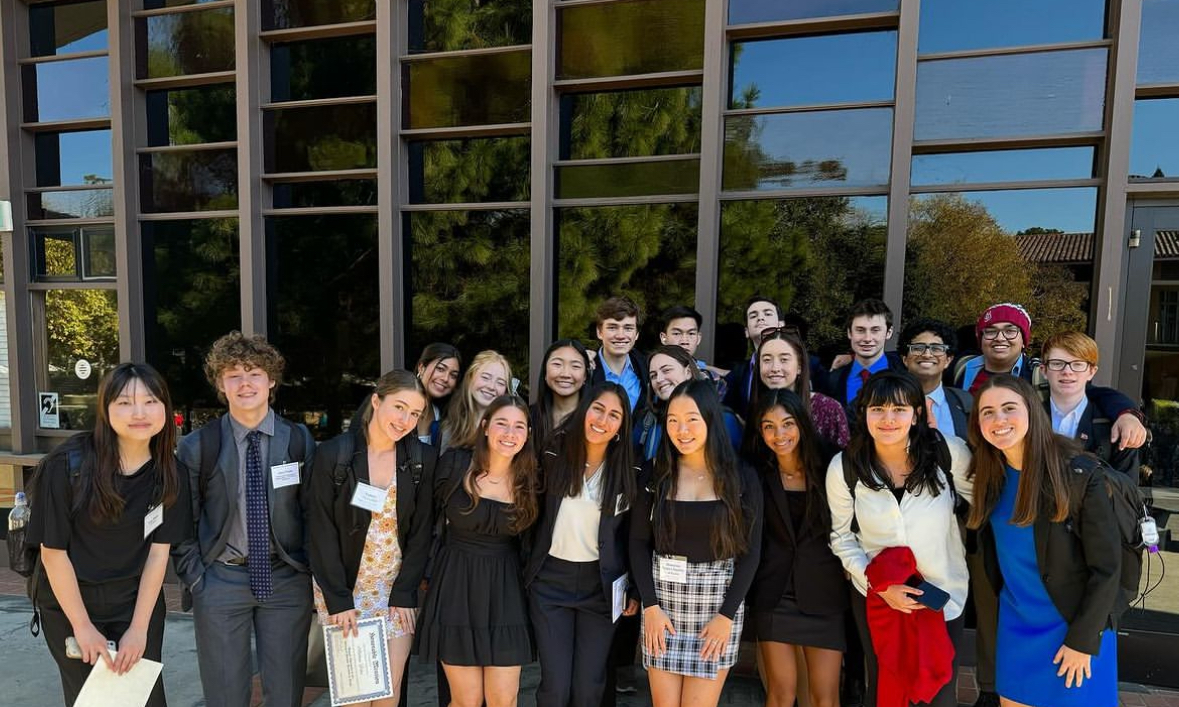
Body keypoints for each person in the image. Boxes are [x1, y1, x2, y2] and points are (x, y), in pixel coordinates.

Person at [27, 363, 189, 707]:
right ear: (106, 408)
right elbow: (53, 554)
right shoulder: (67, 465)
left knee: (142, 696)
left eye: (150, 401)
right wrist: (82, 627)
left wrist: (139, 629)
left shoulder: (171, 473)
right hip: (71, 603)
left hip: (134, 602)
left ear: (165, 408)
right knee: (94, 699)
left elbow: (158, 554)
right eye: (125, 403)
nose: (139, 413)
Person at [171, 332, 317, 707]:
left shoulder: (299, 441)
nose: (245, 382)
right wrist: (196, 577)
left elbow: (313, 514)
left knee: (285, 693)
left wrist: (310, 573)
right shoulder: (197, 446)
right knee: (224, 695)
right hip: (220, 579)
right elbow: (181, 521)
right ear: (221, 384)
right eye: (233, 374)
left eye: (254, 372)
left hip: (285, 578)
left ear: (271, 380)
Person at [968, 375, 1122, 707]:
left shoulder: (1078, 475)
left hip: (1075, 626)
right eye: (987, 412)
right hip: (1016, 627)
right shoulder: (987, 475)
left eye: (1009, 408)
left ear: (1032, 412)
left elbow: (1107, 568)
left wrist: (1083, 640)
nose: (999, 420)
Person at [826, 370, 973, 707]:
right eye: (877, 409)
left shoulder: (947, 453)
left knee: (939, 694)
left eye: (899, 409)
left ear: (916, 413)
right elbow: (841, 536)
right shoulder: (845, 466)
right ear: (863, 413)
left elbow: (984, 503)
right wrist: (880, 586)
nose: (888, 419)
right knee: (885, 688)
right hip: (878, 597)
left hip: (942, 594)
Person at [306, 370, 439, 707]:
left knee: (388, 698)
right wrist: (339, 600)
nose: (405, 419)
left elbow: (422, 531)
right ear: (376, 401)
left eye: (415, 413)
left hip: (395, 592)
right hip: (345, 591)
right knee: (356, 700)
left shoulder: (420, 461)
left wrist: (406, 591)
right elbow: (319, 531)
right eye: (399, 407)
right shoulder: (334, 454)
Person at [631, 379, 764, 707]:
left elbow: (750, 552)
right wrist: (650, 607)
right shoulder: (655, 474)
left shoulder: (740, 477)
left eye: (692, 419)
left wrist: (726, 616)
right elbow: (637, 543)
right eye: (673, 420)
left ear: (710, 419)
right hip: (663, 607)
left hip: (716, 608)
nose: (682, 429)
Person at [416, 395, 540, 707]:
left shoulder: (531, 481)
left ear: (527, 434)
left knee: (503, 699)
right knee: (465, 700)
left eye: (519, 426)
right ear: (485, 426)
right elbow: (423, 525)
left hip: (506, 593)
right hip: (455, 587)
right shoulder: (455, 464)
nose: (509, 433)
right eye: (501, 423)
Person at [525, 382, 640, 707]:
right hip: (550, 584)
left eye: (614, 415)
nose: (603, 420)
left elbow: (634, 536)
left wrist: (635, 590)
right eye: (598, 409)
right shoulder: (552, 453)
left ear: (621, 426)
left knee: (590, 687)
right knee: (556, 687)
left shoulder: (629, 469)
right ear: (584, 410)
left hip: (600, 589)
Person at [744, 388, 846, 707]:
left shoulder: (831, 464)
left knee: (825, 697)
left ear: (802, 423)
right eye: (769, 426)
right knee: (780, 693)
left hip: (825, 592)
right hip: (774, 594)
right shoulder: (755, 471)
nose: (780, 434)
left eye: (788, 424)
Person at [952, 303, 1147, 451]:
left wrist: (1128, 414)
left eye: (1010, 331)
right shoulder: (962, 367)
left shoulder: (1039, 373)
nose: (1000, 338)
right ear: (980, 338)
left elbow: (1094, 393)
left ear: (1023, 341)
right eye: (991, 331)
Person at [1040, 331, 1140, 478]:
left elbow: (1128, 493)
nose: (1067, 371)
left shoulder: (1114, 426)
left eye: (1077, 364)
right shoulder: (1026, 418)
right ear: (1044, 370)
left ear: (1092, 372)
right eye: (1057, 364)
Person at [636, 345, 743, 461]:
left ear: (688, 372)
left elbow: (739, 468)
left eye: (666, 370)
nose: (659, 379)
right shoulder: (647, 420)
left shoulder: (722, 418)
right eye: (653, 375)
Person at [751, 328, 849, 450]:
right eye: (766, 360)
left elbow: (844, 463)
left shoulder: (828, 409)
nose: (775, 368)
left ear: (799, 366)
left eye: (784, 360)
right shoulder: (755, 410)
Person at [824, 299, 905, 415]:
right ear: (849, 333)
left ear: (889, 332)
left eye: (875, 330)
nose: (867, 338)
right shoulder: (833, 379)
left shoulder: (904, 374)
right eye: (860, 330)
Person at [898, 318, 973, 440]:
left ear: (948, 360)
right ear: (905, 359)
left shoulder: (966, 403)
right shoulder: (886, 401)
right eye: (918, 348)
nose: (927, 355)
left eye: (937, 349)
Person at [438, 350, 511, 453]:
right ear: (471, 378)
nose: (491, 387)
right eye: (485, 377)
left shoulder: (508, 433)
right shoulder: (450, 428)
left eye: (500, 383)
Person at [723, 294, 784, 414]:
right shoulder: (736, 375)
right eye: (753, 315)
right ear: (746, 332)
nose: (760, 318)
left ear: (781, 325)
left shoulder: (806, 365)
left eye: (767, 314)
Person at [530, 339, 593, 453]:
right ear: (545, 371)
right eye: (557, 364)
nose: (565, 374)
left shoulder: (593, 421)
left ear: (585, 376)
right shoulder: (528, 417)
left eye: (575, 366)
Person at [590, 296, 649, 413]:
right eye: (612, 327)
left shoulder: (647, 367)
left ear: (636, 334)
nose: (620, 335)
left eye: (628, 328)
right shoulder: (586, 369)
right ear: (599, 332)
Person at [658, 305, 729, 380]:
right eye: (677, 333)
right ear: (664, 338)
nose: (684, 341)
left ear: (698, 338)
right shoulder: (651, 371)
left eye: (691, 333)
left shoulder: (709, 378)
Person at [414, 343, 463, 444]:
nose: (445, 378)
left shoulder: (443, 416)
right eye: (440, 369)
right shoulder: (400, 407)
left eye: (453, 375)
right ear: (421, 368)